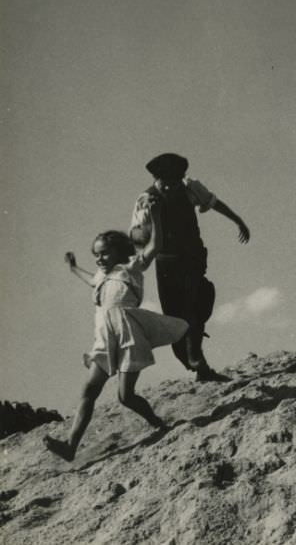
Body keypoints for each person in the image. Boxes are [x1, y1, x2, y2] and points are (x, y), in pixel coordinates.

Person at [44, 207, 188, 462]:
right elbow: (90, 279)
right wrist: (74, 267)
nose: (99, 259)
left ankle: (157, 422)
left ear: (120, 252)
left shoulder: (131, 267)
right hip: (104, 339)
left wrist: (155, 218)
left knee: (126, 396)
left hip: (128, 333)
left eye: (104, 253)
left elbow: (154, 246)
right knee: (89, 390)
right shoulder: (100, 276)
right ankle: (70, 446)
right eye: (96, 255)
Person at [130, 152, 250, 383]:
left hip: (193, 256)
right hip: (166, 262)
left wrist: (238, 220)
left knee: (200, 301)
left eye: (174, 182)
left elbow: (213, 203)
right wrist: (140, 253)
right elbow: (136, 235)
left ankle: (197, 359)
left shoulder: (189, 187)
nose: (170, 188)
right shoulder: (145, 200)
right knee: (175, 315)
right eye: (165, 183)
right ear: (157, 179)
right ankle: (194, 362)